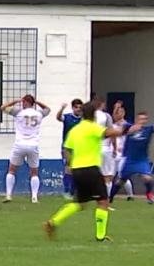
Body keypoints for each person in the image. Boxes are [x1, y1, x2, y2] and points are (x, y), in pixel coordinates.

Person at [44, 102, 126, 242]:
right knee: (103, 202)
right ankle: (100, 236)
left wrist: (70, 164)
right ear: (93, 114)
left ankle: (53, 222)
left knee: (80, 203)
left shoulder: (75, 130)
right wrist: (126, 128)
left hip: (77, 170)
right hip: (91, 170)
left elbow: (66, 149)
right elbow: (111, 132)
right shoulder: (93, 128)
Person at [111, 104, 154, 205]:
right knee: (120, 182)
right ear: (137, 119)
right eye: (140, 119)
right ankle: (110, 198)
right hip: (129, 160)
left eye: (144, 119)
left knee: (148, 178)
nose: (142, 121)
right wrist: (116, 109)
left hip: (142, 160)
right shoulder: (129, 127)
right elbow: (117, 123)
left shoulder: (148, 129)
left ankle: (149, 194)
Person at [1, 94, 52, 203]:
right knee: (34, 172)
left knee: (11, 170)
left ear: (24, 102)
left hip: (19, 144)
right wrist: (37, 102)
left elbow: (2, 107)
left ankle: (9, 195)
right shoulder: (39, 113)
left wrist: (15, 100)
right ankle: (34, 197)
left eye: (23, 102)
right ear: (33, 103)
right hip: (33, 145)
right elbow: (48, 109)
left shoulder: (18, 112)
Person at [55, 99, 83, 199]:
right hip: (67, 147)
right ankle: (67, 190)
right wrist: (61, 109)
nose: (78, 109)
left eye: (80, 107)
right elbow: (58, 117)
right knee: (69, 167)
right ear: (72, 108)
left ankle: (73, 191)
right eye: (76, 107)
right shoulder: (67, 117)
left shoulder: (84, 120)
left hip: (80, 147)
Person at [92, 96, 119, 198]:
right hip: (105, 146)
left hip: (92, 147)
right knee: (107, 175)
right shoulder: (106, 116)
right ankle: (105, 198)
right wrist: (115, 148)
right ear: (102, 104)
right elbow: (112, 133)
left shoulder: (89, 116)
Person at [111, 103, 134, 202]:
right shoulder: (112, 125)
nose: (116, 114)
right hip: (113, 152)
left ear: (123, 113)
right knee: (110, 174)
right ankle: (109, 195)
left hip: (122, 153)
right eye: (116, 113)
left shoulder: (127, 126)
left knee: (122, 175)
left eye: (119, 112)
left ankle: (130, 195)